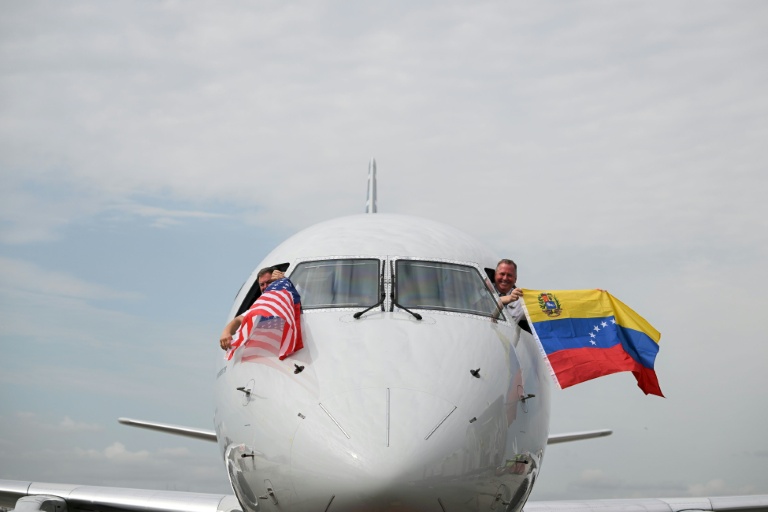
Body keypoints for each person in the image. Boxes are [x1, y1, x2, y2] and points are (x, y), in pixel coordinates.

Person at [219, 268, 285, 350]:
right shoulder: (262, 305)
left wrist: (285, 280)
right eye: (262, 284)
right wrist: (226, 332)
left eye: (269, 282)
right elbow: (239, 320)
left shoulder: (290, 294)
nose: (265, 287)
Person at [494, 259, 528, 330]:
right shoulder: (483, 291)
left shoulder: (521, 301)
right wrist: (505, 299)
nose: (505, 278)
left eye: (509, 275)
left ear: (515, 279)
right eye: (502, 274)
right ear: (495, 275)